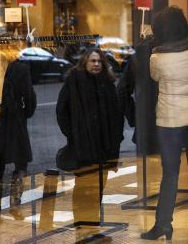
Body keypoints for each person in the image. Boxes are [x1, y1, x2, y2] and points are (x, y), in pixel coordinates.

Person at [140, 6, 188, 241]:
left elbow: (155, 77)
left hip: (170, 122)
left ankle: (163, 225)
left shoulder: (157, 58)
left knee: (169, 174)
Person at [56, 48, 124, 240]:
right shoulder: (74, 81)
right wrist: (73, 134)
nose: (96, 64)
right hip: (83, 147)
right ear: (84, 63)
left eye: (99, 61)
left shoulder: (108, 83)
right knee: (83, 189)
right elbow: (61, 110)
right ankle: (81, 230)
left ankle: (93, 230)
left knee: (98, 189)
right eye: (92, 61)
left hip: (105, 147)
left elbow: (117, 115)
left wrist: (115, 141)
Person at [0, 61, 37, 220]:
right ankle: (14, 203)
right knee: (21, 161)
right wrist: (24, 112)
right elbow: (29, 97)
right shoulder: (21, 67)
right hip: (14, 120)